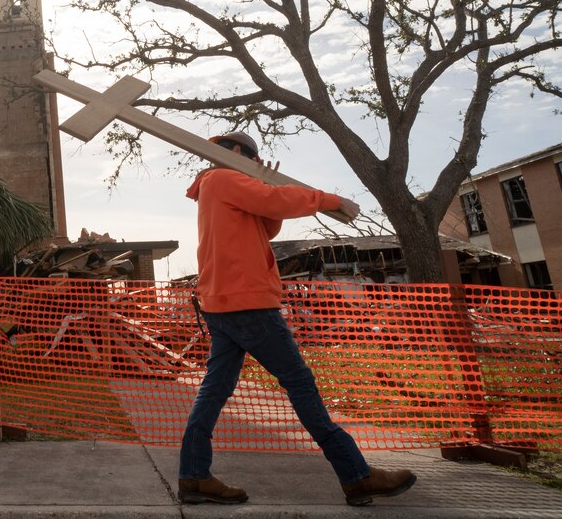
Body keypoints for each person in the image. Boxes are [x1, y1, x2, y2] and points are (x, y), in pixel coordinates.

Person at [178, 131, 416, 507]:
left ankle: (193, 476)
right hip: (248, 304)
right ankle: (356, 475)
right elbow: (275, 200)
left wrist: (261, 184)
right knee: (300, 384)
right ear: (241, 154)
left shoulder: (217, 187)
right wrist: (329, 200)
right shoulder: (224, 177)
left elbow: (267, 222)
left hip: (223, 303)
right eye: (253, 160)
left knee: (214, 390)